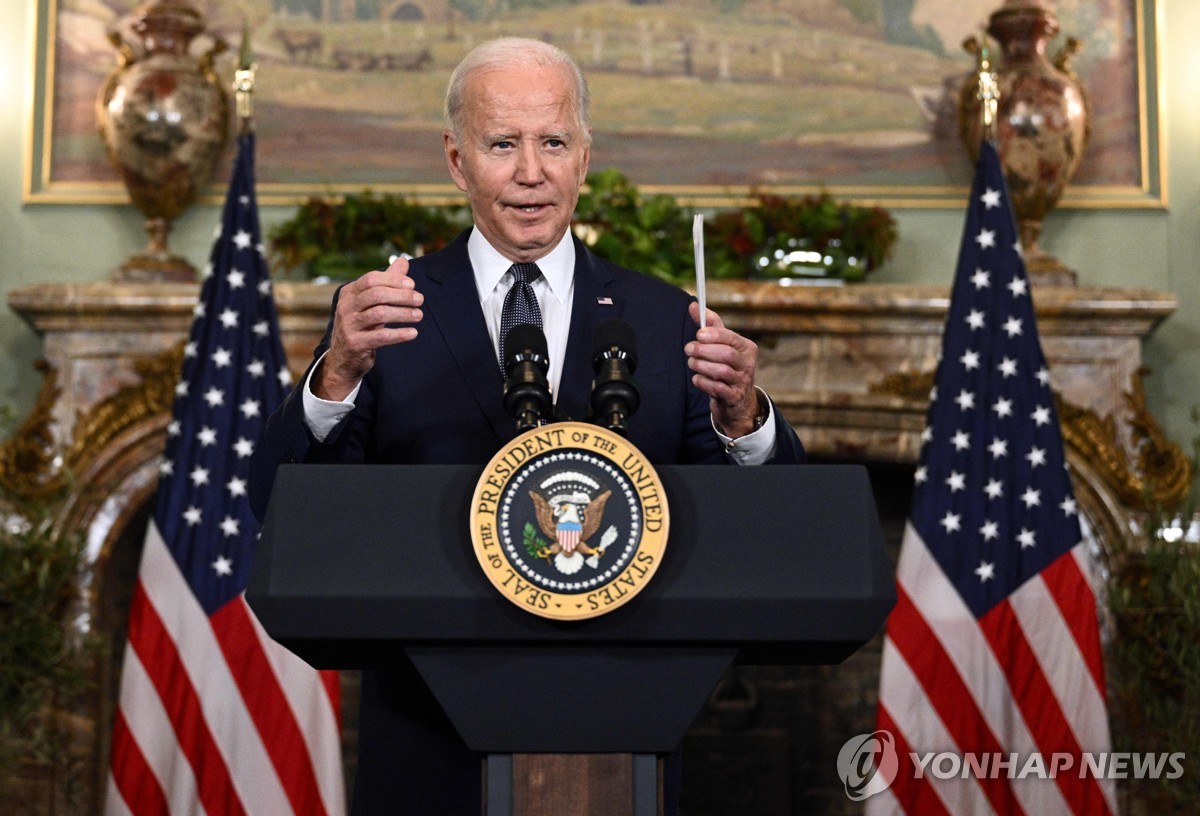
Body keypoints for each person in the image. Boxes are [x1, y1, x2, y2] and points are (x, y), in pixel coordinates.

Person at [250, 36, 805, 815]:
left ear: (584, 156)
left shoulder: (660, 314)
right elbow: (273, 508)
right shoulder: (385, 313)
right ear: (456, 159)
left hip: (625, 733)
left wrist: (745, 418)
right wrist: (335, 372)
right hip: (429, 741)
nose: (531, 173)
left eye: (553, 142)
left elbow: (780, 533)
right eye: (502, 144)